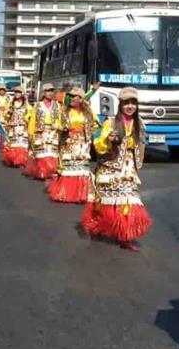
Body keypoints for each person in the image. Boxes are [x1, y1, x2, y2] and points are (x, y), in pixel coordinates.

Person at [81, 87, 152, 252]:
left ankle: (125, 236)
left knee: (129, 202)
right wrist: (108, 140)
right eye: (126, 103)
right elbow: (98, 146)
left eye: (133, 103)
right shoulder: (111, 122)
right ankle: (98, 226)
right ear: (120, 104)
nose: (130, 106)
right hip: (110, 169)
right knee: (105, 202)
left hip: (128, 170)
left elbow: (140, 147)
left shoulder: (139, 123)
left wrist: (136, 164)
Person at [47, 87, 96, 203]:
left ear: (81, 99)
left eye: (75, 96)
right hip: (69, 142)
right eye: (71, 96)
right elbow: (56, 124)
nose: (73, 98)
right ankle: (67, 193)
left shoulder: (88, 112)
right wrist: (62, 128)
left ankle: (80, 194)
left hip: (82, 144)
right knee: (69, 167)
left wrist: (88, 132)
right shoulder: (64, 111)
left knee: (81, 168)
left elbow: (95, 124)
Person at [23, 82, 61, 180]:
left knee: (52, 153)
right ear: (43, 93)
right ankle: (43, 172)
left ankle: (50, 171)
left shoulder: (57, 105)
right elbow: (32, 121)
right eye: (48, 91)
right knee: (41, 153)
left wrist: (58, 127)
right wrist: (31, 134)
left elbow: (59, 119)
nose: (50, 93)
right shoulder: (37, 105)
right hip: (40, 132)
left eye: (52, 91)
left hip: (53, 132)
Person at [1, 85, 31, 168]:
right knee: (14, 144)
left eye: (19, 92)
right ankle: (13, 160)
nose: (17, 94)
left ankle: (21, 161)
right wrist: (8, 114)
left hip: (22, 127)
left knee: (22, 144)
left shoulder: (26, 103)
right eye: (16, 92)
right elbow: (6, 114)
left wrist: (26, 118)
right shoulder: (11, 103)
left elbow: (30, 112)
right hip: (13, 127)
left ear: (22, 93)